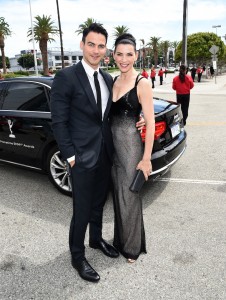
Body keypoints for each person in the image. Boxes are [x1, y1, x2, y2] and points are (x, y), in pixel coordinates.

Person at [50, 23, 144, 283]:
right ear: (82, 45)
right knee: (81, 210)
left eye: (101, 46)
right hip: (79, 157)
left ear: (106, 50)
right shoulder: (66, 77)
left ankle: (95, 240)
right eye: (91, 44)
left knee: (99, 203)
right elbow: (58, 121)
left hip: (106, 155)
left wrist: (142, 118)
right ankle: (77, 256)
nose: (95, 50)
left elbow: (114, 114)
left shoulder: (107, 79)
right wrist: (70, 156)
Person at [110, 33, 155, 263]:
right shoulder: (113, 81)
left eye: (129, 54)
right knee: (118, 195)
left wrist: (146, 159)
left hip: (131, 149)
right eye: (120, 54)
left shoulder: (142, 83)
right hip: (113, 150)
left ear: (136, 55)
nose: (124, 59)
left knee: (130, 196)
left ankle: (132, 247)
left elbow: (151, 121)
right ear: (113, 55)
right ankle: (120, 240)